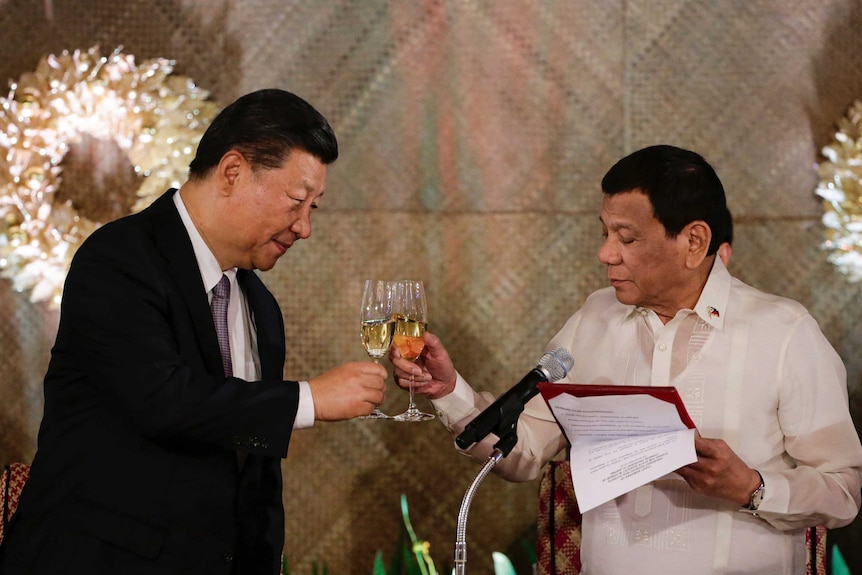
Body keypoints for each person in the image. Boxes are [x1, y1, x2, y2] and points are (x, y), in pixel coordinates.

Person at [390, 145, 862, 574]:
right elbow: (524, 452)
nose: (604, 253)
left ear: (694, 241)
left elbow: (843, 490)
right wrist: (449, 391)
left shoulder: (783, 332)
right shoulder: (595, 318)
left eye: (627, 238)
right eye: (605, 233)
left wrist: (753, 487)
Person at [0, 89, 386, 575]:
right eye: (295, 201)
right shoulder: (118, 258)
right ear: (232, 172)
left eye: (315, 207)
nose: (305, 227)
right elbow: (163, 400)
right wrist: (308, 400)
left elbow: (253, 479)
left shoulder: (261, 306)